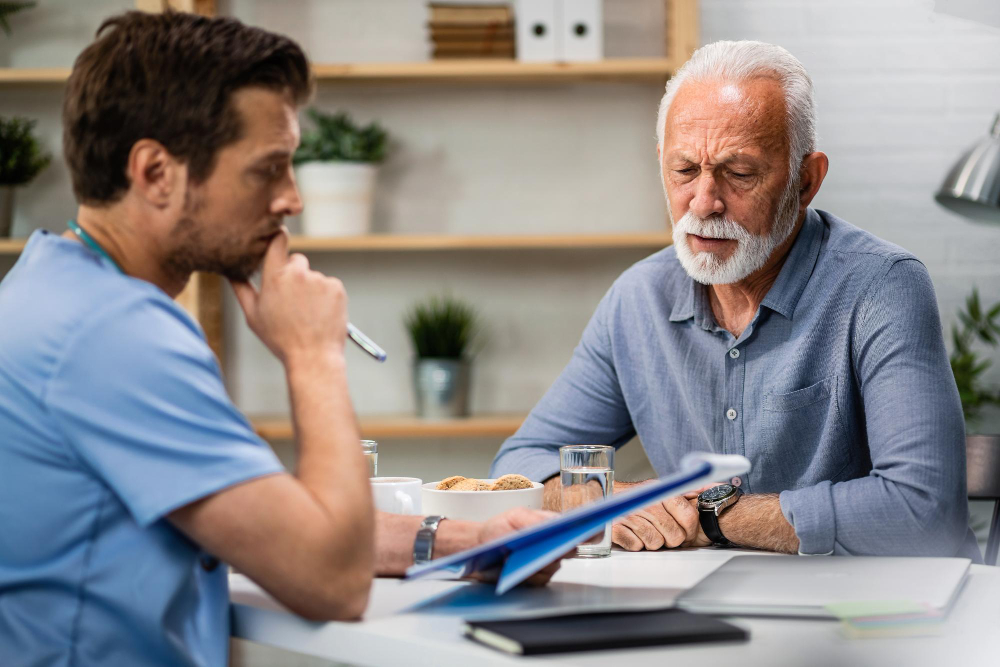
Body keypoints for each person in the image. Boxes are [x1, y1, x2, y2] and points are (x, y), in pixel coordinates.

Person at [0, 12, 556, 667]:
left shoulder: (52, 283)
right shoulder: (117, 338)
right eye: (269, 169)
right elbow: (332, 579)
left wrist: (467, 538)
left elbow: (271, 514)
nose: (293, 199)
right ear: (155, 174)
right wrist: (312, 354)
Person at [491, 40, 980, 561]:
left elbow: (923, 510)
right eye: (684, 171)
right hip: (697, 606)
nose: (703, 203)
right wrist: (599, 499)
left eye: (739, 173)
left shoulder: (883, 286)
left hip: (869, 615)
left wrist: (712, 517)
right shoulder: (637, 300)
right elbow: (518, 466)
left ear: (807, 179)